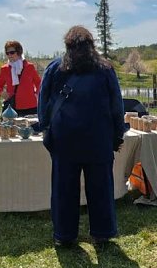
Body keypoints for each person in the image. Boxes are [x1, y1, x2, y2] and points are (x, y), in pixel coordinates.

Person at [37, 26, 126, 249]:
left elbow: (43, 103)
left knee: (63, 190)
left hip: (64, 140)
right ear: (91, 45)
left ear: (67, 46)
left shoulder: (55, 68)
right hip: (99, 140)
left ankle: (64, 235)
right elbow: (117, 106)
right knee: (101, 188)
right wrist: (117, 135)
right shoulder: (105, 69)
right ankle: (102, 233)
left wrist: (46, 129)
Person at [0, 40, 42, 117]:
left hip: (31, 106)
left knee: (32, 128)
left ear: (19, 52)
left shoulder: (29, 67)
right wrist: (1, 92)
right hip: (12, 107)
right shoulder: (4, 69)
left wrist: (36, 94)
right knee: (11, 129)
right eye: (7, 53)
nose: (9, 55)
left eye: (12, 52)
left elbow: (39, 83)